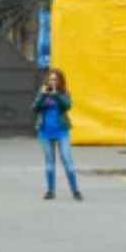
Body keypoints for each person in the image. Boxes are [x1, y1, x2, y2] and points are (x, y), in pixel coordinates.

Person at [32, 67, 81, 201]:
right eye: (51, 79)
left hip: (61, 131)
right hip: (45, 132)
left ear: (60, 81)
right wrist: (43, 95)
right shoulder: (43, 92)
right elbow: (34, 108)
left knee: (67, 160)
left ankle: (75, 190)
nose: (52, 81)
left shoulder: (63, 93)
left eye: (55, 79)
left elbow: (67, 106)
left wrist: (56, 95)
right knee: (49, 162)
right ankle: (50, 191)